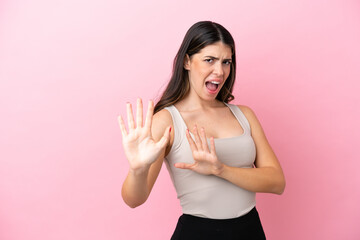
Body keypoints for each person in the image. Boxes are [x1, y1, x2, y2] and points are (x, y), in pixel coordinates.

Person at [118, 21, 286, 240]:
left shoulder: (244, 115)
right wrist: (138, 169)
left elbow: (277, 182)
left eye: (226, 62)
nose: (220, 71)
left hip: (250, 230)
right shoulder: (166, 120)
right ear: (187, 61)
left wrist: (220, 170)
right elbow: (134, 200)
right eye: (210, 60)